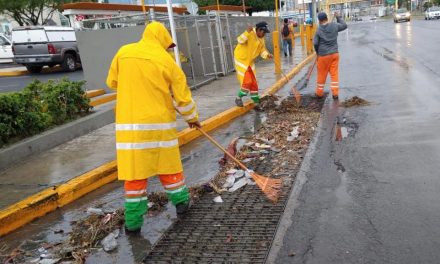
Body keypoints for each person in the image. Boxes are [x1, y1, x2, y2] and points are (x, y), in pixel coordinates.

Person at [106, 21, 201, 233]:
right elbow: (182, 99)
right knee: (169, 169)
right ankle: (182, 205)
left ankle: (133, 225)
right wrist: (192, 118)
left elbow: (112, 82)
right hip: (160, 127)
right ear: (162, 40)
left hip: (131, 130)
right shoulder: (167, 63)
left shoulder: (124, 53)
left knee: (135, 179)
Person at [234, 21, 273, 108]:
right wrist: (246, 32)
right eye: (264, 32)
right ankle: (238, 98)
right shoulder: (250, 33)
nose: (264, 34)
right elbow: (240, 40)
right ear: (259, 30)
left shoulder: (261, 39)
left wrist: (267, 55)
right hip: (241, 59)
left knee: (254, 83)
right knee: (247, 81)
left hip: (250, 61)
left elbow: (262, 50)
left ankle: (256, 102)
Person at [313, 12, 347, 99]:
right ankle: (335, 94)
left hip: (323, 56)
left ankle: (319, 93)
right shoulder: (334, 25)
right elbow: (344, 25)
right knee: (334, 74)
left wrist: (317, 52)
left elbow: (315, 43)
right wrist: (338, 16)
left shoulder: (319, 30)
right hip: (335, 54)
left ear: (319, 21)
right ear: (326, 18)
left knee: (321, 75)